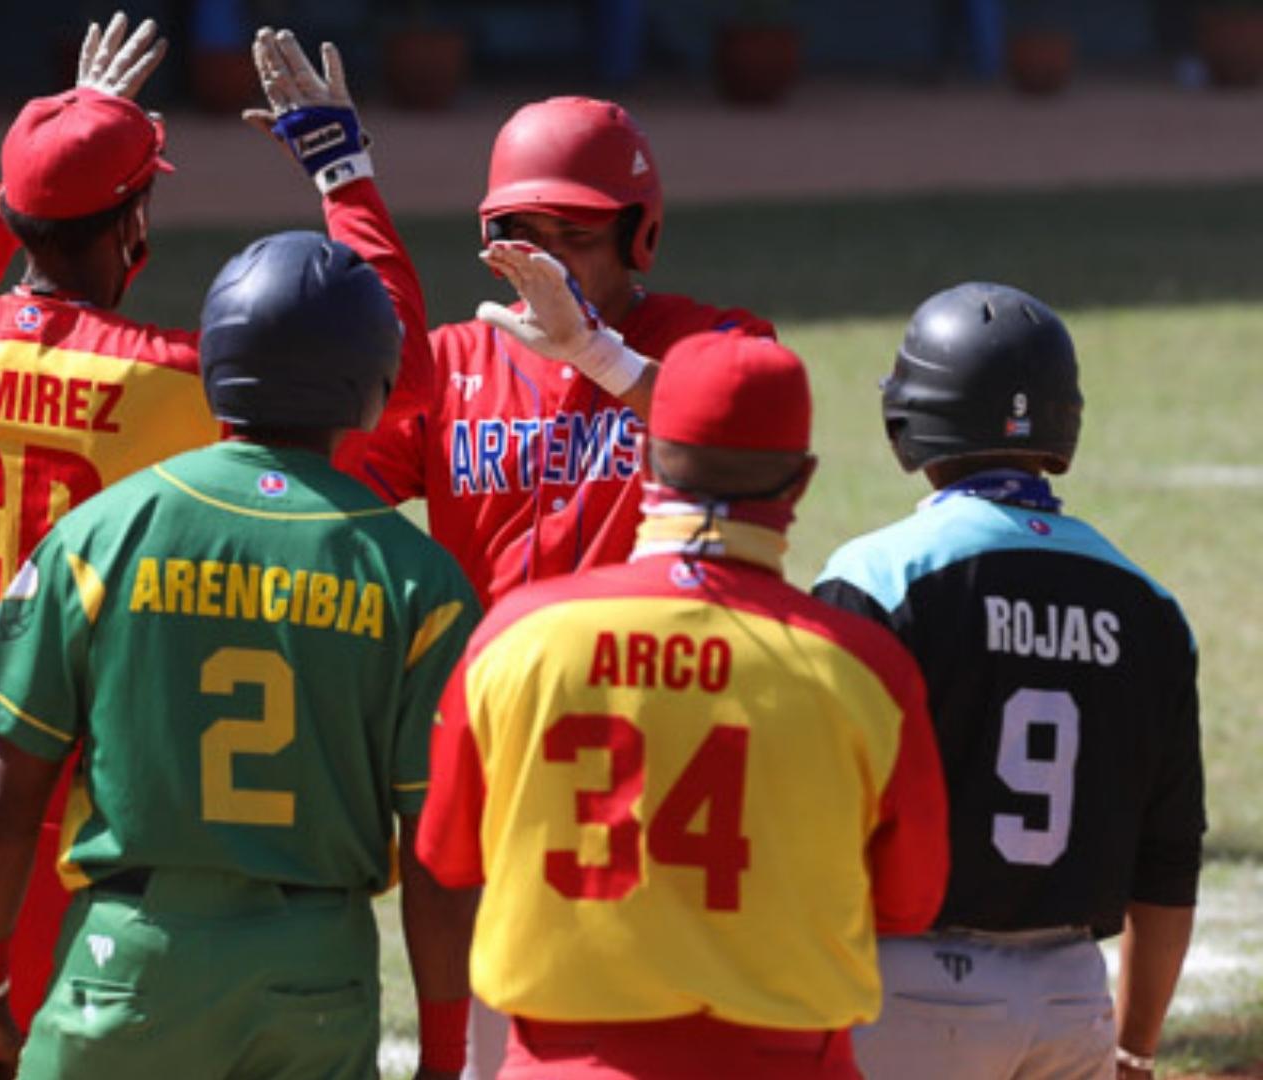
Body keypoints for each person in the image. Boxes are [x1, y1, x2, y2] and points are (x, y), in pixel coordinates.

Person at [0, 15, 438, 1078]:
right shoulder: (174, 384)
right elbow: (389, 373)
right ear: (134, 232)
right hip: (77, 819)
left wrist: (53, 148)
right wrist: (342, 172)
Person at [0, 229, 481, 1080]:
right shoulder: (418, 578)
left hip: (127, 959)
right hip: (316, 973)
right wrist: (446, 1061)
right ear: (372, 389)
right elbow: (439, 862)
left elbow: (6, 794)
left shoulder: (101, 533)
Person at [418, 331, 952, 1079]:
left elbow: (450, 857)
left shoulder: (517, 637)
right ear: (799, 482)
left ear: (643, 459)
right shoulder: (865, 670)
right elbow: (909, 903)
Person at [812, 283, 1205, 1080]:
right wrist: (1132, 1047)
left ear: (910, 420)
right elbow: (1167, 866)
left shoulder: (878, 577)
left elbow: (811, 812)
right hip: (1069, 1000)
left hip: (904, 987)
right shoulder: (1149, 604)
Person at [356, 95, 776, 609]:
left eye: (576, 235)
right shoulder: (451, 362)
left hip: (648, 675)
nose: (550, 260)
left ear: (633, 234)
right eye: (527, 235)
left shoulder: (716, 339)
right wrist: (344, 182)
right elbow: (327, 487)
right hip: (492, 681)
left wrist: (597, 353)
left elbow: (746, 432)